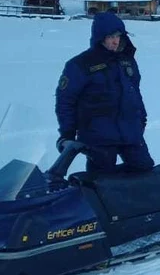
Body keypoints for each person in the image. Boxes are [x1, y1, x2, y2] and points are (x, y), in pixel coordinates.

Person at [55, 11, 154, 173]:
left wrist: (141, 119)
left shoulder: (126, 61)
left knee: (144, 173)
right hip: (98, 137)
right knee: (100, 184)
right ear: (100, 38)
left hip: (130, 133)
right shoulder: (80, 65)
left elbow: (134, 93)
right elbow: (65, 101)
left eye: (118, 36)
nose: (116, 41)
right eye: (111, 37)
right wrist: (67, 133)